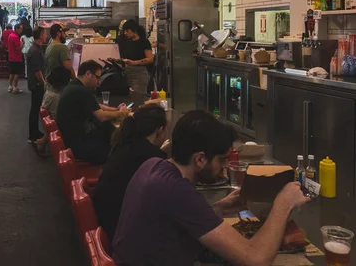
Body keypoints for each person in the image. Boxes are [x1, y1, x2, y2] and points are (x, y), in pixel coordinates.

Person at [113, 110, 310, 266]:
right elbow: (256, 259)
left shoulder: (153, 164)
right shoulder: (178, 192)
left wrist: (221, 208)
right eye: (222, 160)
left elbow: (179, 220)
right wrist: (283, 204)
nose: (225, 167)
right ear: (200, 159)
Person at [94, 104, 168, 242]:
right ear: (160, 130)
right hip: (121, 231)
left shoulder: (125, 143)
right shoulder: (151, 158)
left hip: (106, 219)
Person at [56, 60, 130, 164]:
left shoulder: (74, 86)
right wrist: (122, 113)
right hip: (77, 144)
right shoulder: (80, 91)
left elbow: (96, 106)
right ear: (88, 74)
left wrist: (116, 110)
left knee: (109, 133)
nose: (99, 82)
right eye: (98, 77)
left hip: (71, 138)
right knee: (117, 150)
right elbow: (102, 116)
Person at [33, 67, 72, 155]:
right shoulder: (55, 97)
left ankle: (42, 141)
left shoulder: (49, 91)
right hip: (57, 123)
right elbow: (61, 115)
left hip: (51, 121)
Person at [120, 20, 154, 95]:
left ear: (134, 30)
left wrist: (135, 62)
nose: (125, 33)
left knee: (138, 97)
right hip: (128, 72)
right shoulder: (128, 42)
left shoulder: (144, 42)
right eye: (124, 31)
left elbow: (150, 59)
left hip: (140, 74)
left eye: (127, 31)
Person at [27, 26, 47, 144]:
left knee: (36, 108)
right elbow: (37, 71)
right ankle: (33, 135)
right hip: (37, 84)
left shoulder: (37, 49)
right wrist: (44, 83)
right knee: (35, 109)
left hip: (37, 83)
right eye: (44, 34)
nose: (46, 36)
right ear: (40, 35)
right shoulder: (35, 51)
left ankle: (35, 132)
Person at [7, 23, 24, 94]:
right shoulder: (16, 37)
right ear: (17, 29)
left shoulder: (10, 36)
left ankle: (10, 86)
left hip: (11, 57)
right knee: (16, 73)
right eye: (21, 29)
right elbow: (18, 48)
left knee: (12, 72)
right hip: (16, 57)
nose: (21, 31)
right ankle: (15, 87)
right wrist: (22, 43)